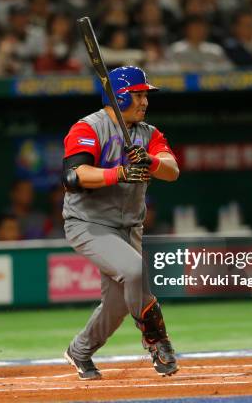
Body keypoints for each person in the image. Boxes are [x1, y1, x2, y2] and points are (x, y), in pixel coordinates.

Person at [61, 66, 180, 380]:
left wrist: (149, 161)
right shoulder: (88, 127)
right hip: (88, 223)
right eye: (138, 94)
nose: (144, 101)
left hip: (129, 227)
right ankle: (156, 339)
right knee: (133, 271)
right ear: (119, 97)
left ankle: (80, 350)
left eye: (145, 95)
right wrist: (120, 173)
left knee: (117, 304)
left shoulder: (148, 133)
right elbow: (75, 177)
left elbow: (172, 170)